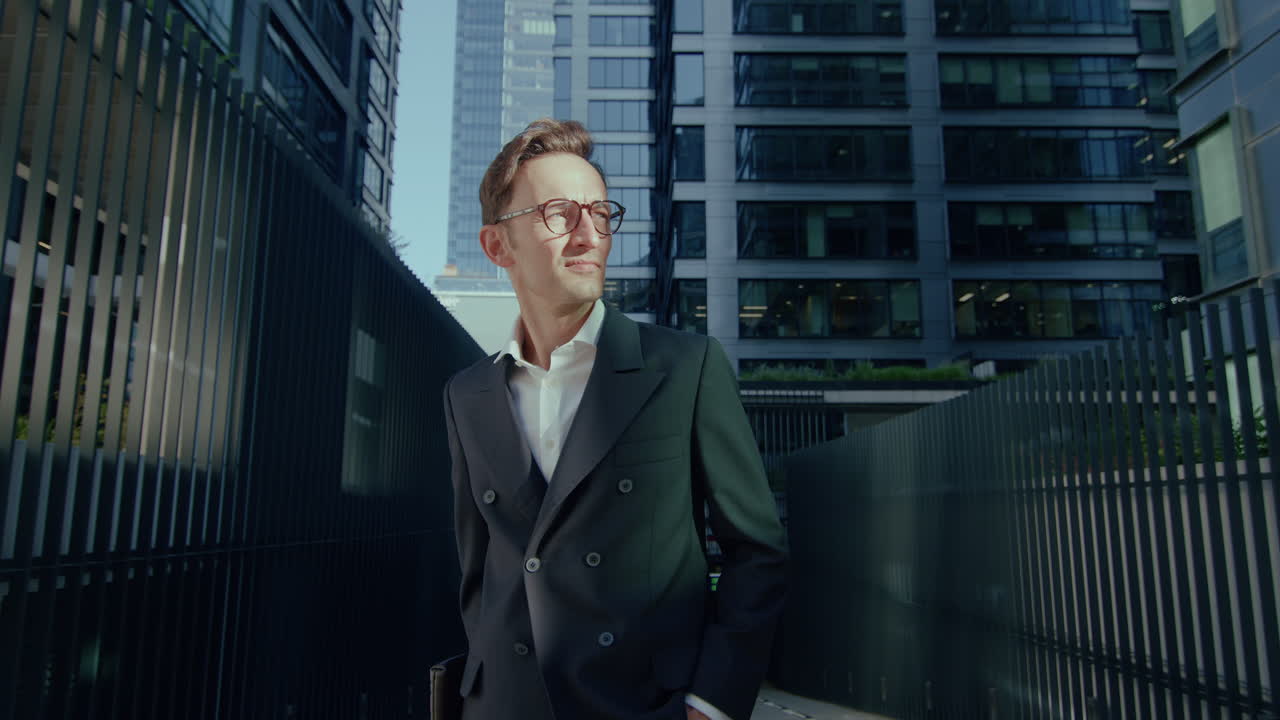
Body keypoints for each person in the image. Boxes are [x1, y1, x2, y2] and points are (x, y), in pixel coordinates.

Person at [441, 118, 787, 720]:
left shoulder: (685, 368)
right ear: (498, 246)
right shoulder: (466, 395)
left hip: (642, 706)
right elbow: (479, 571)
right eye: (559, 214)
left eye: (601, 214)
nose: (589, 235)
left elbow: (755, 552)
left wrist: (710, 703)